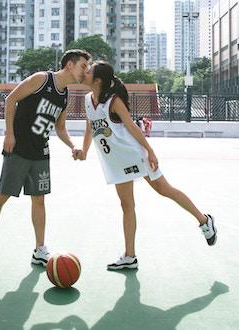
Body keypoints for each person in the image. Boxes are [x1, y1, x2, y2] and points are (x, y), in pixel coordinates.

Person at [78, 61, 217, 271]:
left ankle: (204, 220)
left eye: (88, 71)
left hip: (134, 154)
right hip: (116, 161)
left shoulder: (113, 101)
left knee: (164, 189)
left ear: (97, 80)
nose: (84, 72)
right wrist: (84, 150)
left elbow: (132, 126)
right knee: (126, 205)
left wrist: (150, 150)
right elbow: (90, 127)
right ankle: (130, 256)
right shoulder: (88, 100)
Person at [0, 49, 91, 273]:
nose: (85, 70)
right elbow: (11, 100)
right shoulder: (41, 79)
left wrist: (73, 146)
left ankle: (39, 249)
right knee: (1, 197)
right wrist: (9, 133)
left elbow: (60, 127)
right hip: (18, 148)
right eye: (83, 65)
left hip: (40, 152)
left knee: (39, 200)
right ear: (69, 65)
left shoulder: (64, 94)